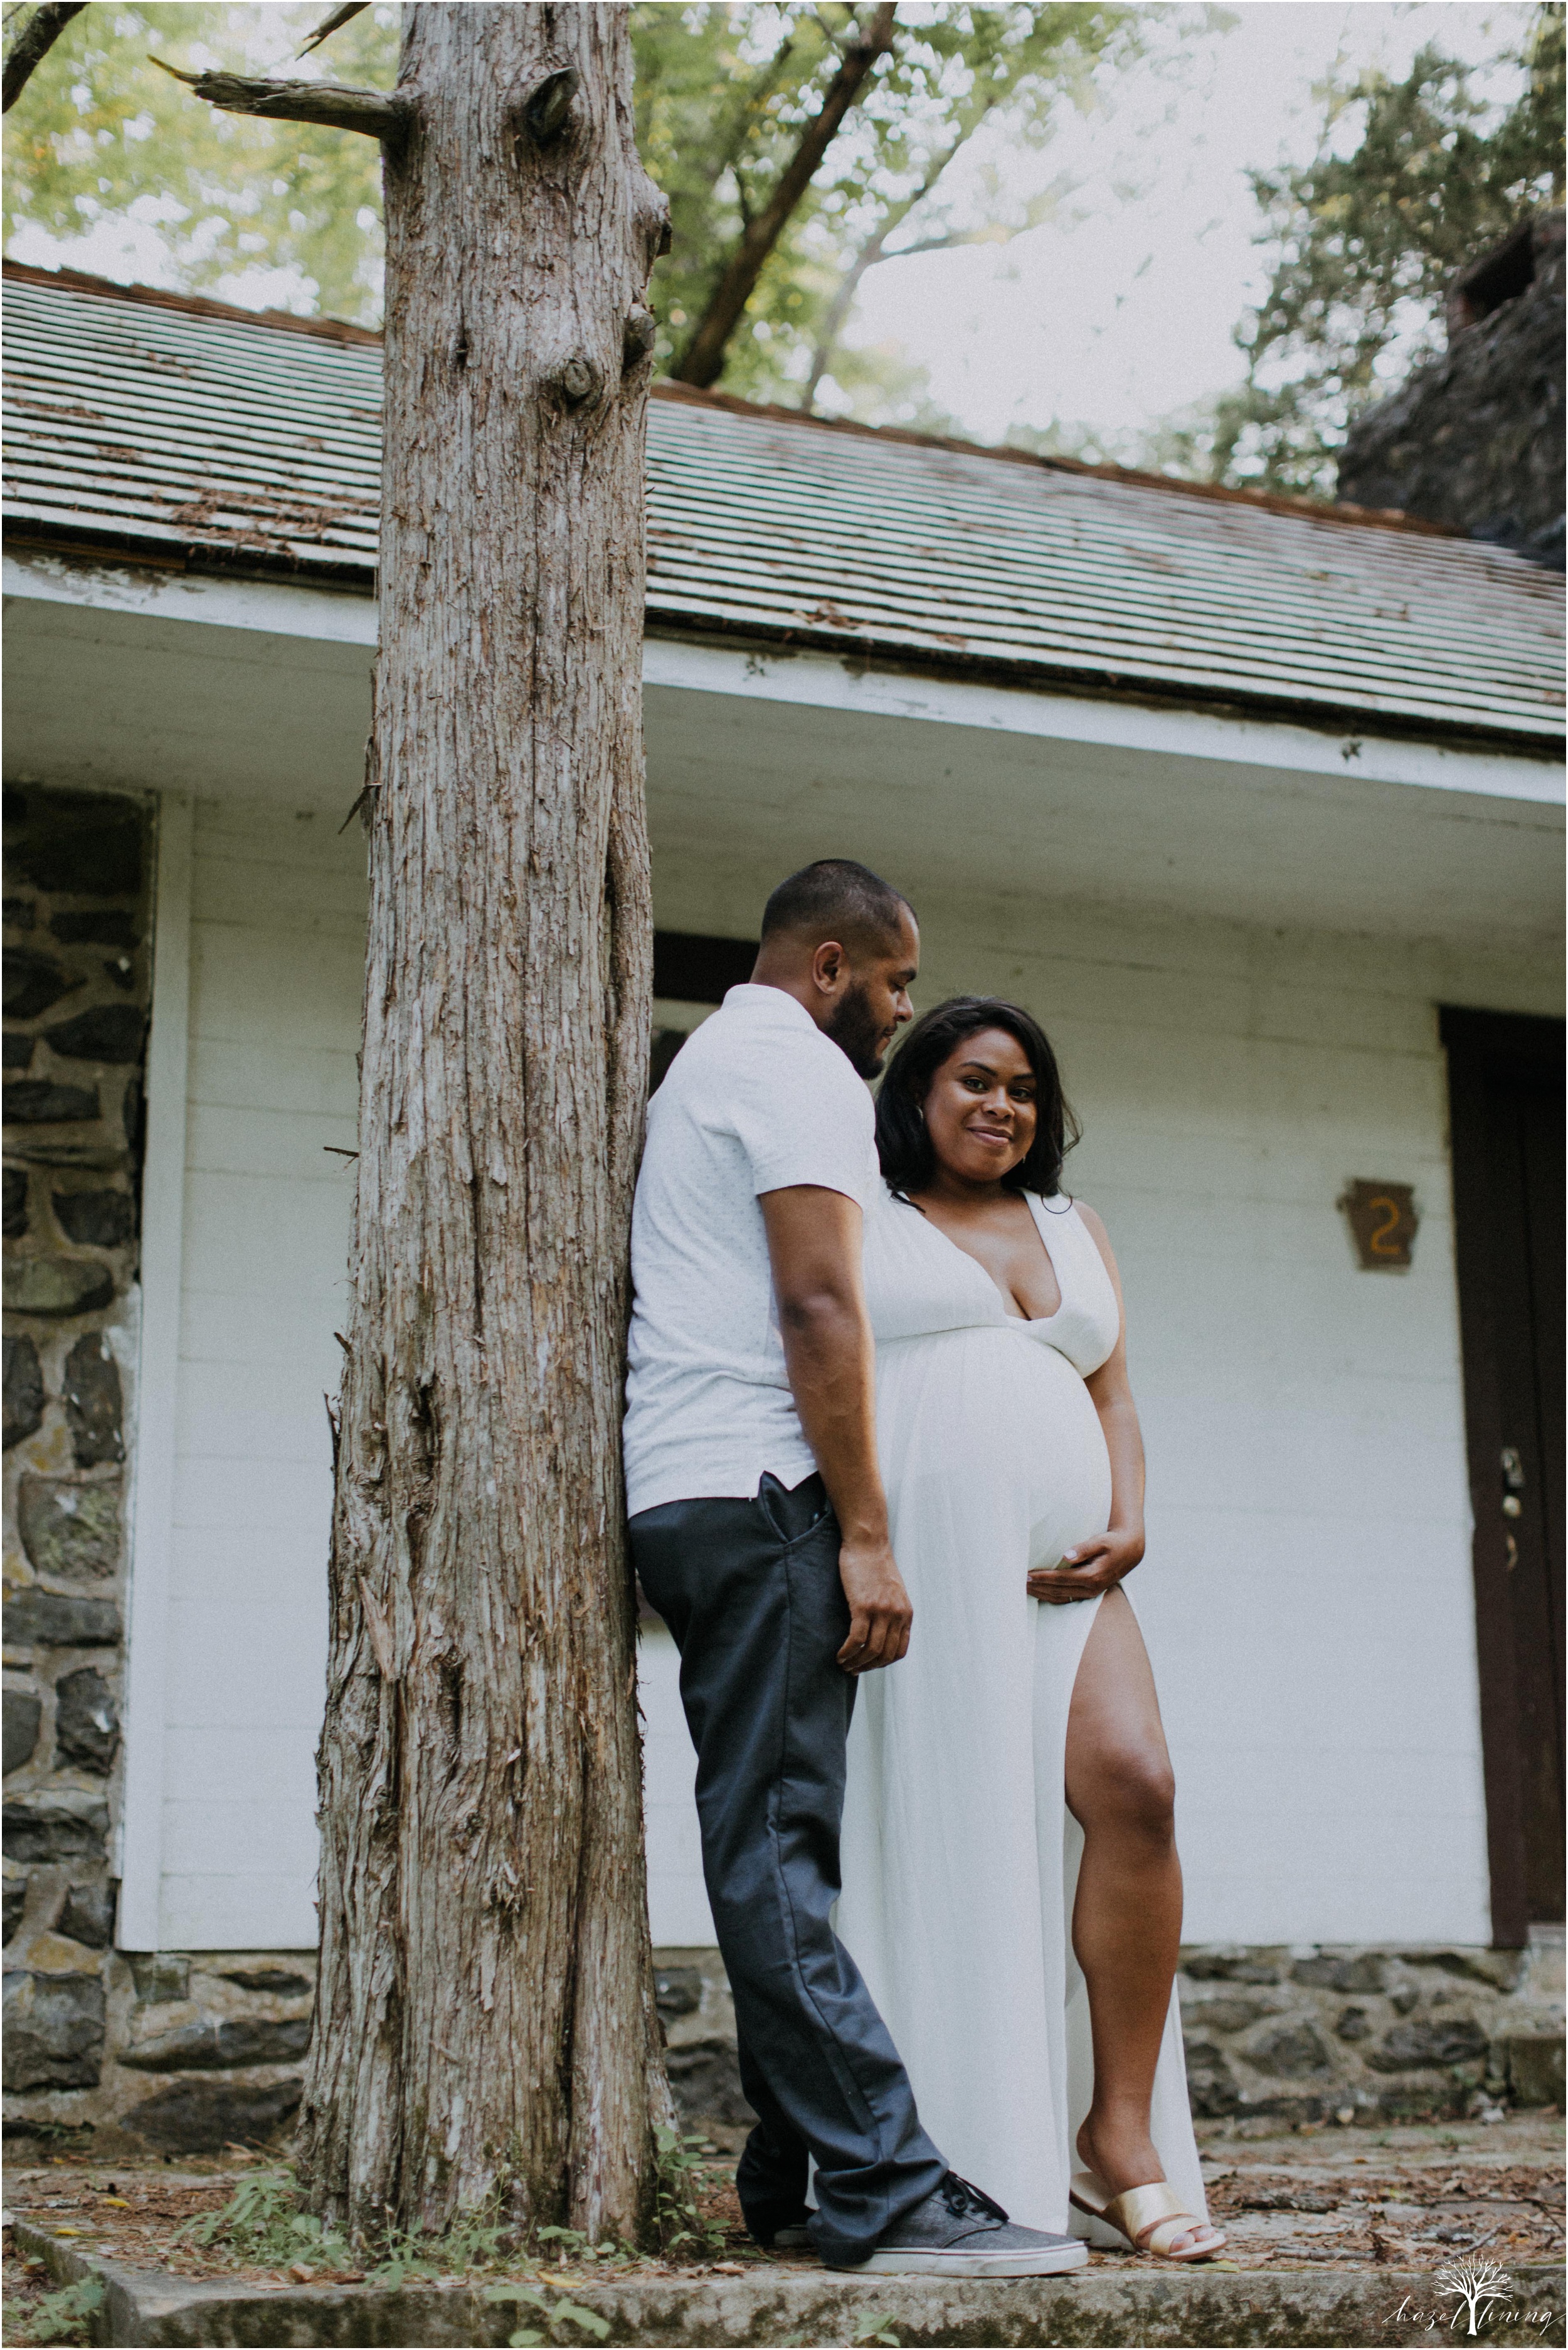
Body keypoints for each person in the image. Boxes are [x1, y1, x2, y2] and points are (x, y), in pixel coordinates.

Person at [625, 865, 1087, 2278]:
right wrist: (866, 1531)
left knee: (782, 1834)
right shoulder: (800, 1069)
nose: (897, 1012)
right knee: (775, 1846)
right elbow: (819, 1300)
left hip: (705, 1487)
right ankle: (889, 2190)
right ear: (830, 965)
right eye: (891, 986)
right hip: (761, 1493)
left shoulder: (716, 1056)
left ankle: (785, 2169)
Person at [837, 995, 1225, 2264]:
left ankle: (1115, 2136)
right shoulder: (864, 1215)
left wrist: (1133, 1515)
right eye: (972, 1079)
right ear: (917, 1093)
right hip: (927, 1576)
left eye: (1022, 1087)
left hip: (1070, 1570)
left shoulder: (1072, 1226)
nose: (1000, 1104)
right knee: (967, 1840)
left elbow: (1109, 1392)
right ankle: (955, 2142)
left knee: (1137, 1787)